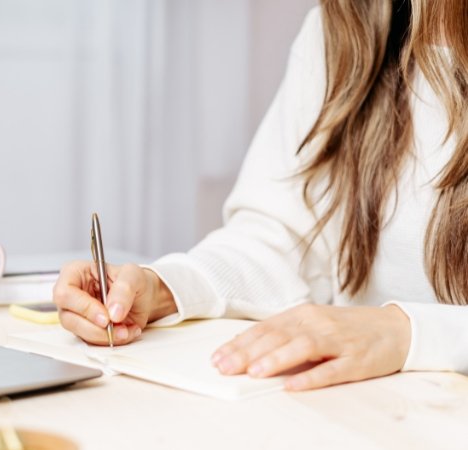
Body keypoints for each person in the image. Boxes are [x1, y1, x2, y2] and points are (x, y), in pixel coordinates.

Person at [52, 0, 468, 391]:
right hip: (368, 411)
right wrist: (163, 288)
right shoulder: (341, 33)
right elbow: (279, 239)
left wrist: (404, 332)